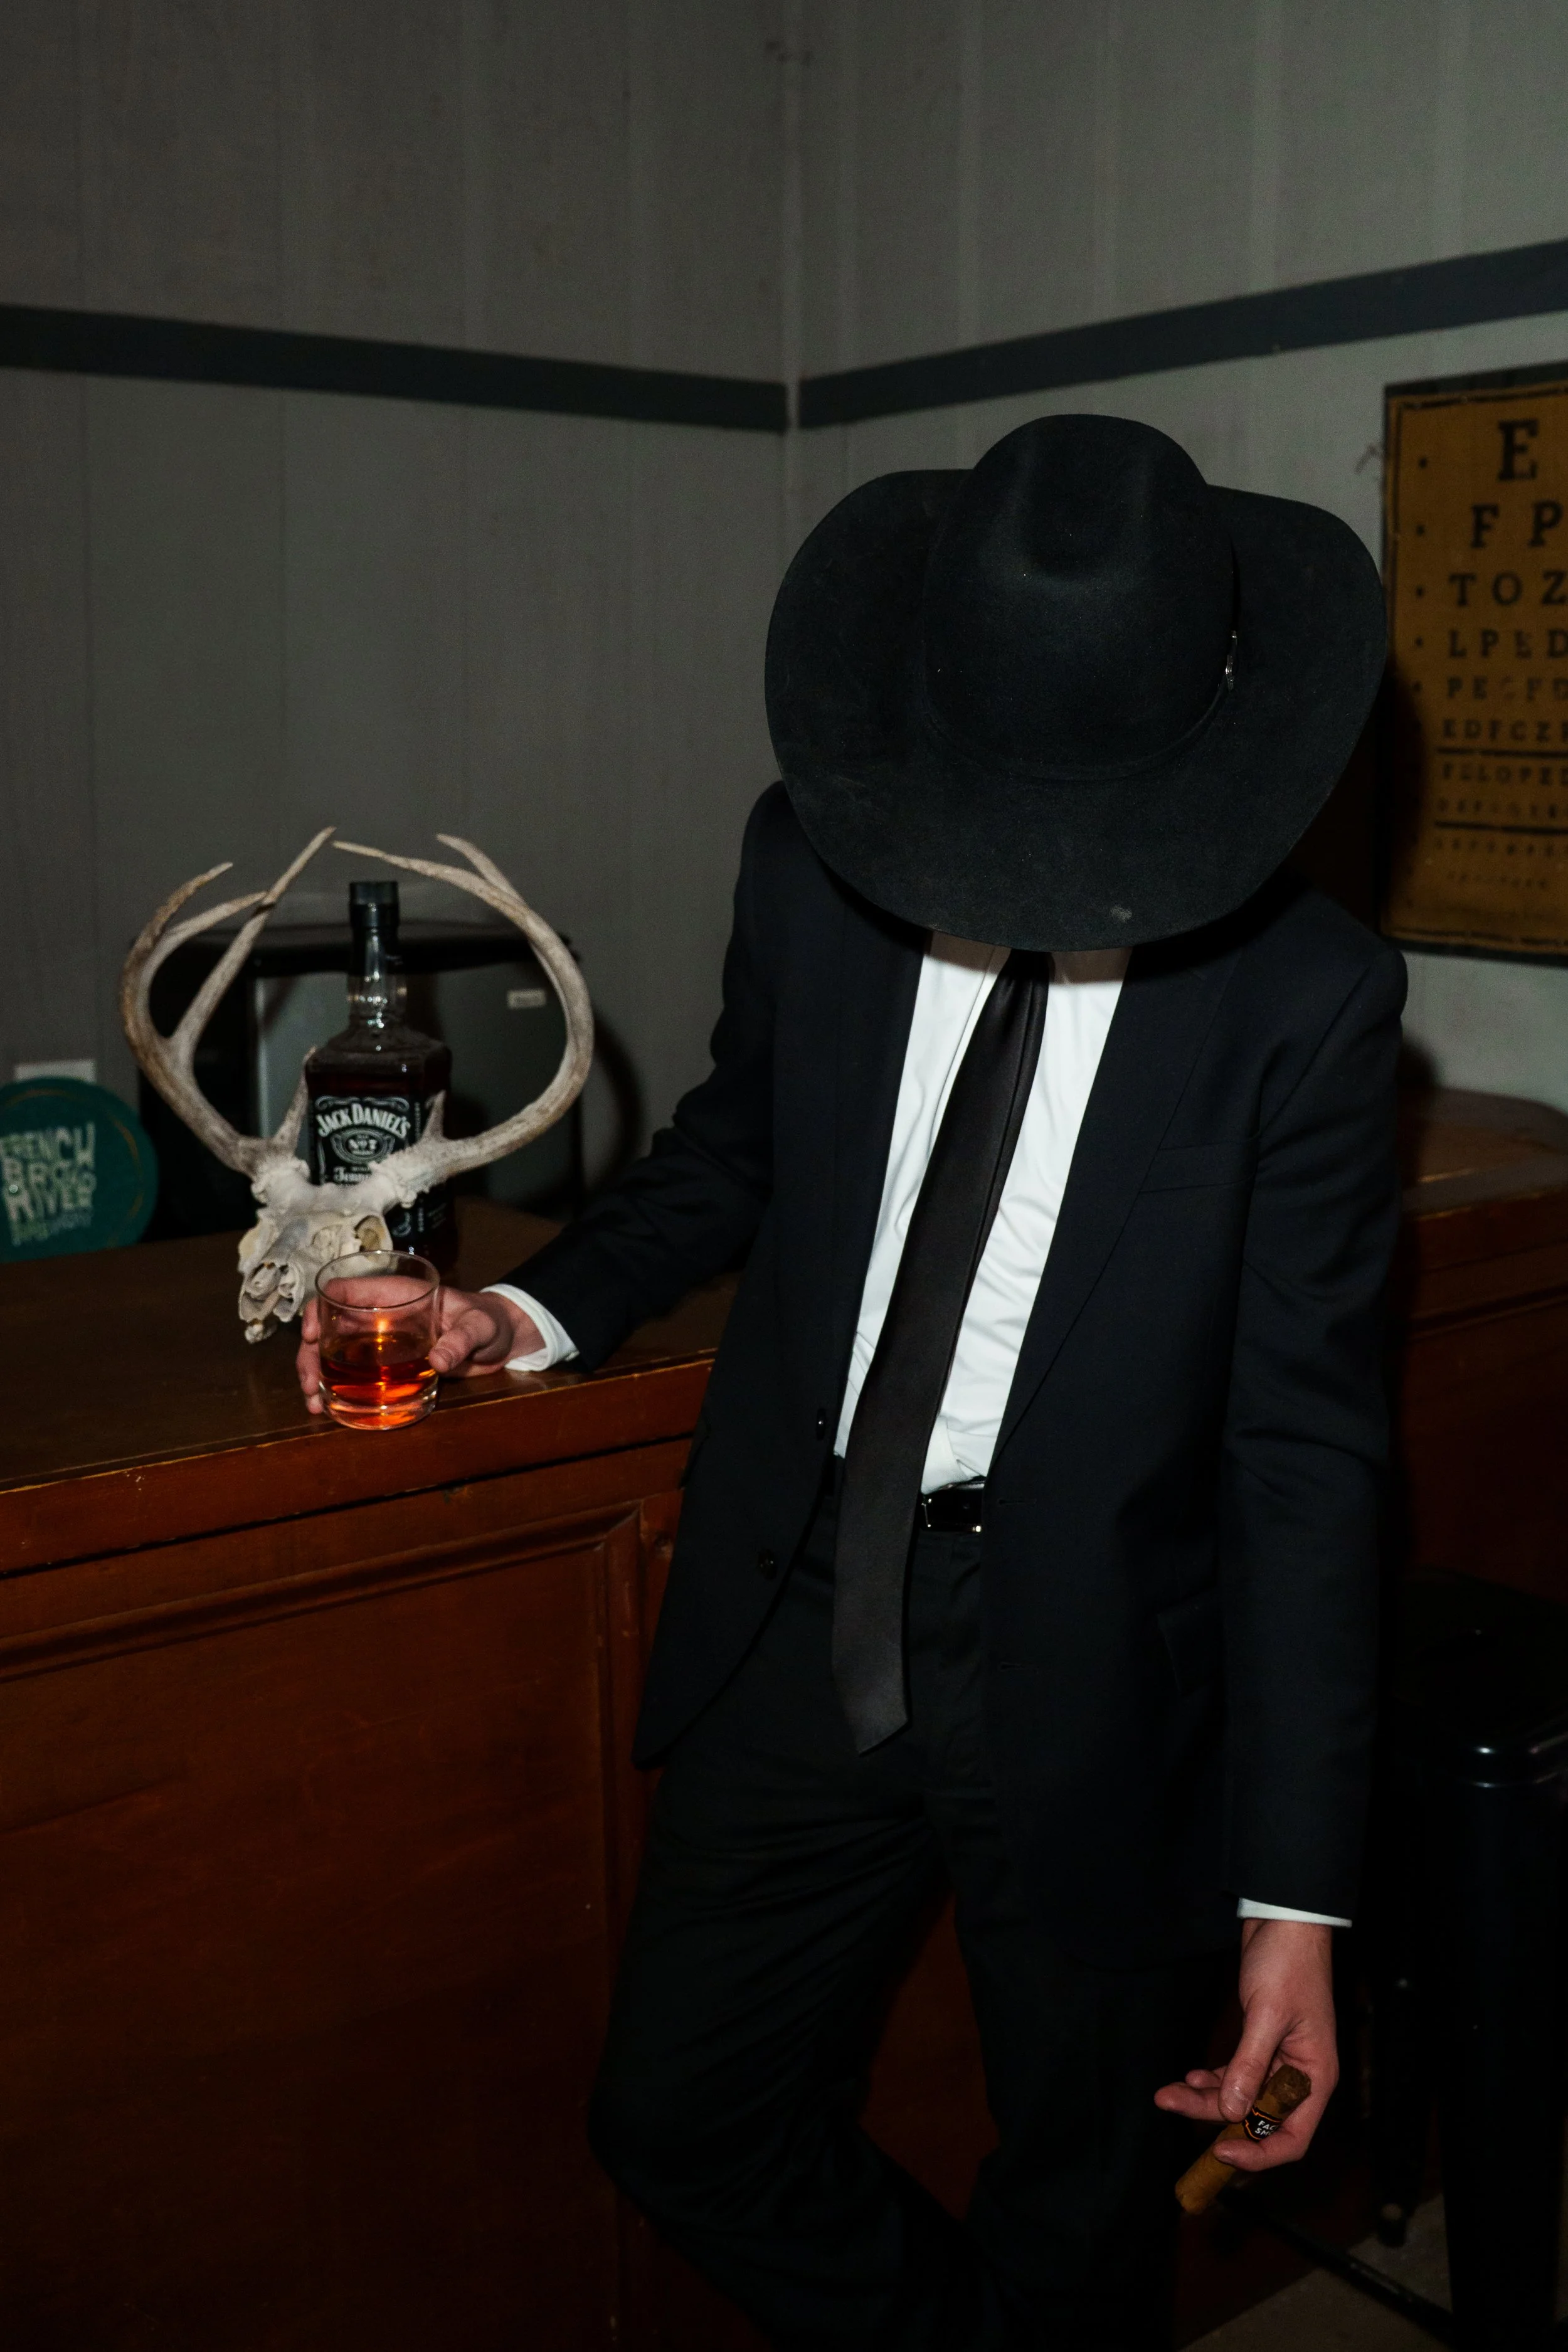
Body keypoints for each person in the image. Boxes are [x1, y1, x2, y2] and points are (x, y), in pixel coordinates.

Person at [298, 413, 1406, 2348]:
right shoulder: (810, 854)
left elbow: (1306, 1449)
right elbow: (738, 1141)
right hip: (814, 1583)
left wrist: (1292, 1894)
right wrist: (532, 1309)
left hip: (1092, 1649)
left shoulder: (1303, 998)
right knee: (679, 2113)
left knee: (1083, 2192)